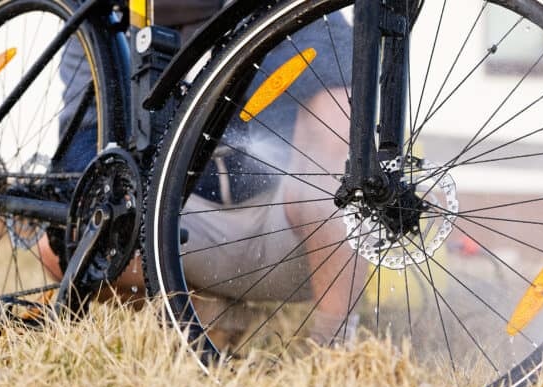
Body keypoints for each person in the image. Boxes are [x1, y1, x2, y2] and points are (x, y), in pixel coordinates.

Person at [41, 0, 360, 345]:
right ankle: (205, 312)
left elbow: (345, 120)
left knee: (334, 119)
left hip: (284, 227)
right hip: (181, 232)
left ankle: (337, 337)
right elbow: (83, 164)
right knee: (61, 240)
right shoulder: (106, 20)